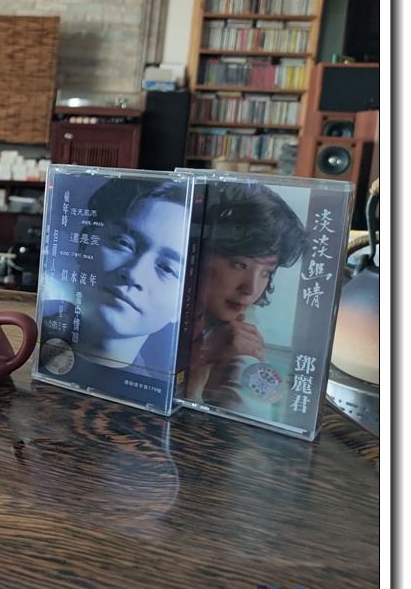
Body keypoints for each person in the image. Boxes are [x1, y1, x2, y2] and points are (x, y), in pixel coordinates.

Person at [39, 178, 189, 409]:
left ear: (182, 304)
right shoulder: (31, 338)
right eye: (123, 243)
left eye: (167, 269)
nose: (134, 274)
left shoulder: (156, 395)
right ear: (84, 244)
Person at [184, 182, 307, 415]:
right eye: (239, 264)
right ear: (198, 252)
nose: (251, 289)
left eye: (266, 272)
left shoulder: (238, 327)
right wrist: (200, 358)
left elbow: (244, 413)